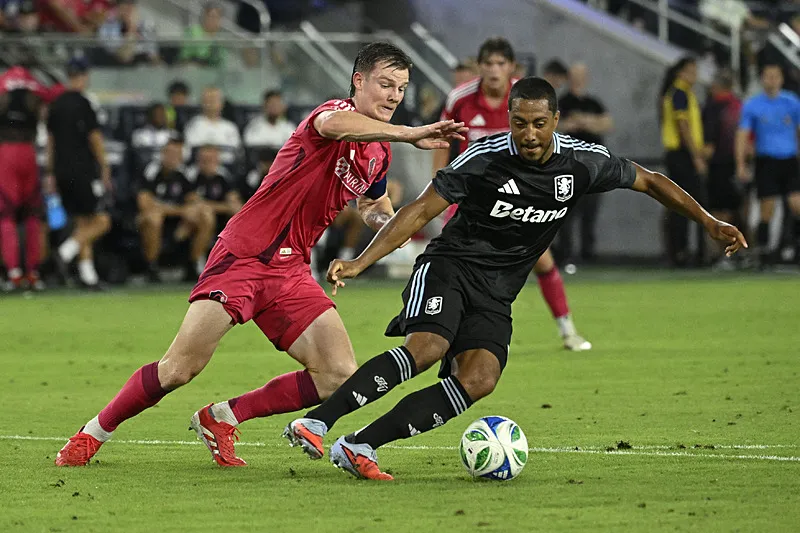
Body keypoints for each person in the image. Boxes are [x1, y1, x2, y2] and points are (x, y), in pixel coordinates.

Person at [285, 76, 748, 480]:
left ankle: (360, 445)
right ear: (509, 119)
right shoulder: (483, 158)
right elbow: (421, 209)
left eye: (539, 123)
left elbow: (649, 180)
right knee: (427, 348)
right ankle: (318, 422)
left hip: (498, 290)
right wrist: (362, 261)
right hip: (450, 267)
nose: (529, 134)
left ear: (556, 120)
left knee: (480, 378)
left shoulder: (582, 162)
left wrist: (708, 222)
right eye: (520, 123)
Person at [54, 41, 467, 468]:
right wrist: (409, 133)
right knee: (179, 369)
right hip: (245, 254)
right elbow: (335, 126)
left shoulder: (379, 152)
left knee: (337, 374)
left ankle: (222, 417)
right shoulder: (332, 114)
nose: (395, 96)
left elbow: (372, 204)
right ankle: (91, 434)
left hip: (291, 269)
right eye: (385, 84)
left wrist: (386, 227)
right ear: (358, 81)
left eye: (401, 88)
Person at [434, 37, 591, 351]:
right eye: (488, 63)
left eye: (500, 63)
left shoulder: (526, 98)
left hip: (518, 198)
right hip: (472, 200)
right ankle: (454, 333)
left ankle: (568, 330)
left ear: (511, 67)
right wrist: (439, 189)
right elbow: (443, 143)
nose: (494, 70)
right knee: (458, 266)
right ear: (479, 66)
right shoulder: (460, 99)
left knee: (543, 261)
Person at [46, 58, 112, 289]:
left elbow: (50, 142)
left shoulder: (55, 104)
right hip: (83, 171)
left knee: (83, 223)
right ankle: (64, 252)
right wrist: (104, 166)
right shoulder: (84, 103)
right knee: (102, 221)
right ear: (84, 76)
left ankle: (88, 275)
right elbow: (95, 137)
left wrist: (50, 173)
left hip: (61, 172)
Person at [0, 65, 60, 291]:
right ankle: (33, 273)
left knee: (6, 215)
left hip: (5, 153)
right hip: (29, 153)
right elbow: (57, 90)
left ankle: (14, 273)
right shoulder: (34, 88)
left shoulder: (3, 86)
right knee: (32, 216)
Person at [736, 64, 800, 267]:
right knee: (767, 208)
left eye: (775, 76)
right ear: (762, 79)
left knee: (796, 204)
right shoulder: (753, 105)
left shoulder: (792, 102)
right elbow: (742, 136)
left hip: (789, 160)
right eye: (768, 76)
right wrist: (740, 164)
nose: (772, 80)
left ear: (781, 79)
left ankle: (794, 248)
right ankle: (763, 252)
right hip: (766, 162)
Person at [136, 134, 213, 283]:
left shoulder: (184, 174)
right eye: (169, 153)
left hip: (178, 223)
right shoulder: (151, 171)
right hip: (150, 221)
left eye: (177, 154)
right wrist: (181, 211)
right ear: (162, 153)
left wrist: (189, 212)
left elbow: (195, 201)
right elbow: (145, 205)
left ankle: (194, 265)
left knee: (205, 215)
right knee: (154, 218)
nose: (173, 158)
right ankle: (151, 267)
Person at [557, 62, 614, 264]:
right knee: (567, 210)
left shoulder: (593, 103)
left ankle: (588, 253)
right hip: (568, 165)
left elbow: (607, 124)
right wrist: (574, 123)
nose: (578, 79)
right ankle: (566, 254)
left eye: (581, 75)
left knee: (590, 211)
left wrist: (584, 121)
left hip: (593, 166)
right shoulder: (562, 102)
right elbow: (556, 125)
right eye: (575, 75)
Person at [660, 56, 707, 267]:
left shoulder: (683, 93)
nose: (694, 75)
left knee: (682, 203)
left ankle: (682, 250)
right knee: (686, 203)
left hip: (682, 155)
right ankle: (683, 251)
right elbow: (683, 126)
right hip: (682, 155)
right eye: (691, 71)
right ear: (681, 72)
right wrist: (696, 156)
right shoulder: (679, 93)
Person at [702, 69, 743, 269]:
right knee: (737, 210)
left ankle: (721, 255)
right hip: (739, 165)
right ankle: (740, 253)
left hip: (718, 166)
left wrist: (700, 162)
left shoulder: (712, 107)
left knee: (718, 213)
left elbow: (709, 144)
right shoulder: (739, 105)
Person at [188, 144, 243, 234]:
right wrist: (225, 207)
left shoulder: (223, 175)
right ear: (198, 160)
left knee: (238, 211)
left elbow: (234, 202)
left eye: (211, 159)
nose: (208, 163)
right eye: (204, 160)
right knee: (206, 215)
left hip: (221, 215)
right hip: (198, 219)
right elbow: (194, 202)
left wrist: (226, 206)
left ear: (218, 160)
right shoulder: (191, 175)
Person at [183, 86, 242, 167]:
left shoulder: (231, 127)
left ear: (222, 103)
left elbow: (236, 152)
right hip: (199, 167)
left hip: (227, 167)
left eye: (214, 99)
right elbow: (190, 151)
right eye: (208, 99)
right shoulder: (193, 125)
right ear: (202, 102)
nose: (211, 103)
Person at [179, 1, 226, 68]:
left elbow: (222, 61)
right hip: (192, 66)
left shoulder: (222, 38)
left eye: (218, 17)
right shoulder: (193, 31)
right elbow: (186, 56)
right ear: (204, 17)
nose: (214, 20)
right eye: (212, 16)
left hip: (213, 69)